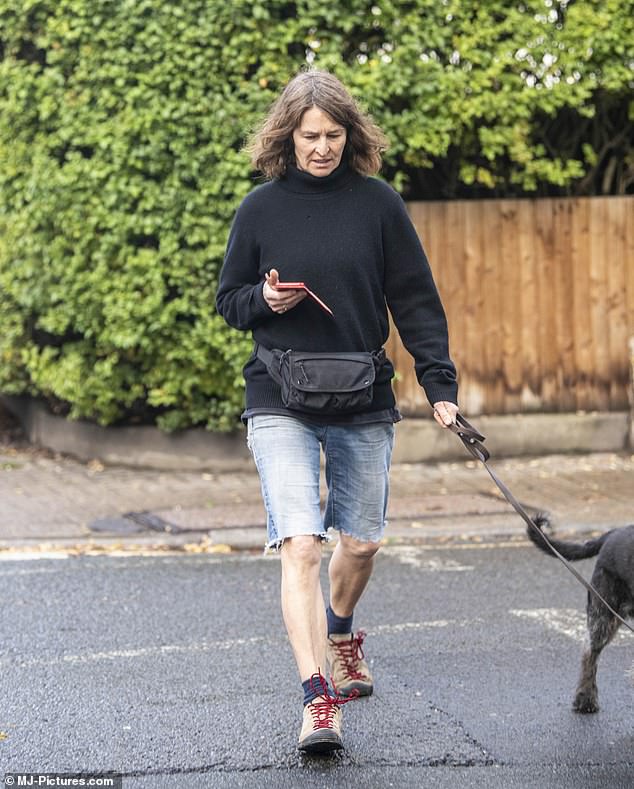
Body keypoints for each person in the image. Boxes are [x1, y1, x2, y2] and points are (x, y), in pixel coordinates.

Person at [216, 68, 459, 754]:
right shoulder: (259, 210)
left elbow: (415, 300)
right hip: (279, 395)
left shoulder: (379, 204)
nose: (321, 147)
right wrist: (265, 301)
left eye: (332, 135)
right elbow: (230, 299)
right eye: (308, 136)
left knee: (361, 542)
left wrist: (440, 387)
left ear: (350, 134)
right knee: (301, 543)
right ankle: (318, 698)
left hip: (363, 395)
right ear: (286, 138)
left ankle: (343, 626)